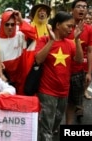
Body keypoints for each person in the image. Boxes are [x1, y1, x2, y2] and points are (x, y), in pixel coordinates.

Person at [35, 11, 83, 141]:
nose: (71, 29)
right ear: (57, 25)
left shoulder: (70, 43)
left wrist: (77, 40)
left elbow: (79, 60)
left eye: (72, 27)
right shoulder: (43, 40)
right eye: (68, 26)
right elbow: (38, 59)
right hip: (46, 91)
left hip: (64, 91)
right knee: (47, 127)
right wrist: (51, 41)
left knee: (56, 120)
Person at [65, 0, 92, 124]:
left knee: (72, 103)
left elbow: (90, 51)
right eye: (79, 6)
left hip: (78, 72)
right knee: (58, 102)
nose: (82, 9)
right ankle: (54, 125)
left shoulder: (90, 30)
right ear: (72, 10)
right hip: (60, 71)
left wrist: (88, 72)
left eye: (84, 7)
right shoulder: (64, 26)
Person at [0, 10, 36, 94]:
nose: (10, 27)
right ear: (2, 24)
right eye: (7, 24)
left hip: (19, 78)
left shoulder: (20, 36)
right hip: (1, 77)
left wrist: (21, 20)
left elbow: (33, 34)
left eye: (12, 24)